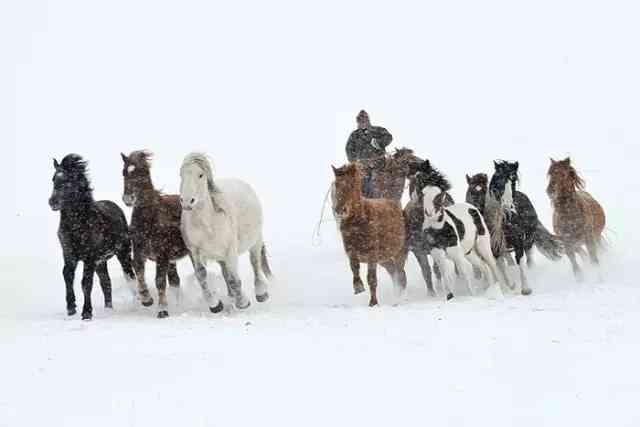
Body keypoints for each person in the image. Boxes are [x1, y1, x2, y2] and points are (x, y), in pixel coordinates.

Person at [345, 110, 393, 197]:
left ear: (368, 120)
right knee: (362, 190)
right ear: (358, 122)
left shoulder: (377, 130)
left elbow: (389, 137)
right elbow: (348, 149)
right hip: (362, 168)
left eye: (365, 119)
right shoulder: (354, 135)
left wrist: (379, 142)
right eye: (360, 120)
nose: (363, 122)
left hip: (378, 166)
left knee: (378, 188)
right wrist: (356, 161)